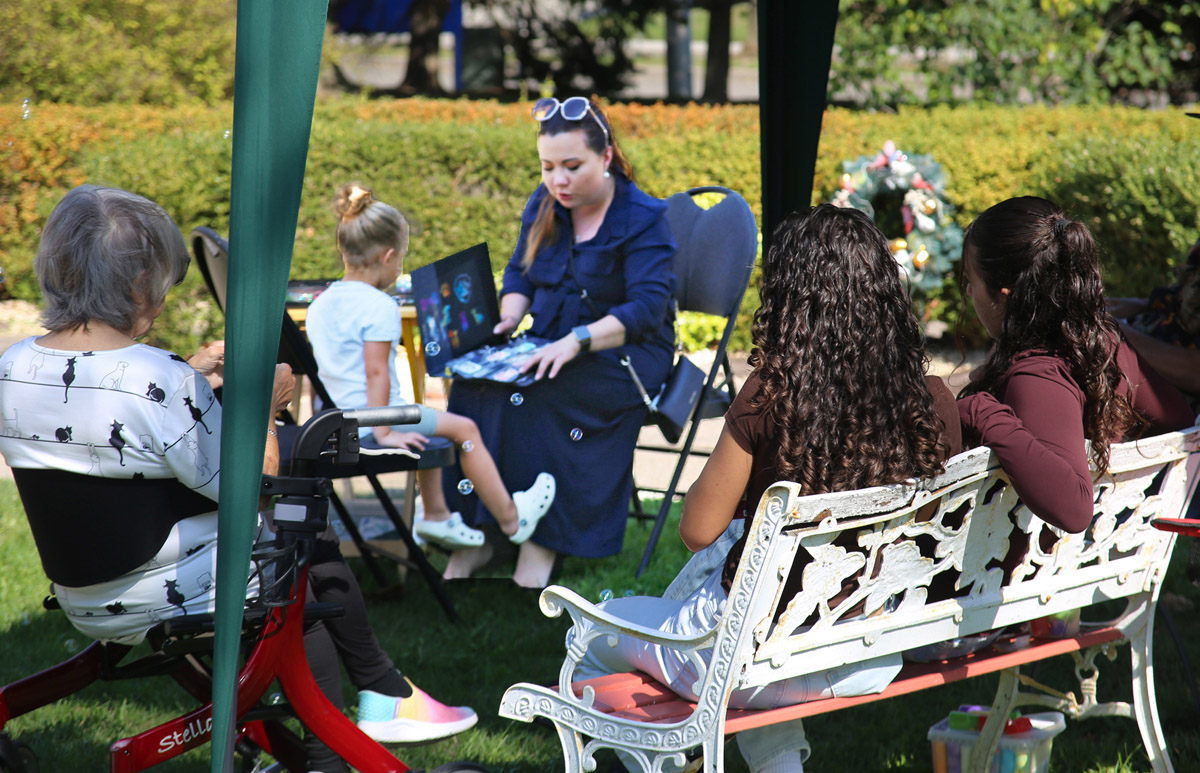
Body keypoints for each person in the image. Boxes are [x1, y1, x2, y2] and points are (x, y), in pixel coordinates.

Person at [0, 184, 476, 773]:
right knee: (297, 542)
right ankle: (340, 742)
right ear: (139, 282)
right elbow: (254, 485)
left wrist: (192, 376)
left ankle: (373, 699)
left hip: (84, 591)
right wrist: (266, 408)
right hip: (166, 593)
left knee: (294, 541)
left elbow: (100, 416)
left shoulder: (14, 364)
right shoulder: (158, 378)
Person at [573, 205, 962, 773]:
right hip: (866, 651)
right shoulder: (933, 401)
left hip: (749, 655)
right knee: (756, 640)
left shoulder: (771, 395)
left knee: (588, 632)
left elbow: (697, 530)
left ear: (789, 300)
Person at [442, 96, 677, 588]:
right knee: (472, 386)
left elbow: (647, 308)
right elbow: (520, 273)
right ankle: (484, 530)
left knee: (539, 393)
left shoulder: (644, 217)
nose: (558, 181)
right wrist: (509, 318)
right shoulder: (544, 202)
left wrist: (577, 341)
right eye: (548, 167)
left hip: (624, 355)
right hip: (549, 339)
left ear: (605, 157)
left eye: (572, 166)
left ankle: (542, 542)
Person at [305, 183, 556, 552]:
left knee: (425, 418)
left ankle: (436, 515)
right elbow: (376, 373)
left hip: (334, 421)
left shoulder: (320, 304)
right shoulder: (379, 306)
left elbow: (324, 373)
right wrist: (384, 431)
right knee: (464, 428)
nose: (400, 267)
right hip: (374, 421)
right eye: (402, 258)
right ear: (388, 256)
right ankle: (511, 519)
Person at [957, 196, 1194, 543]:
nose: (968, 291)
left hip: (1011, 566)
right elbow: (1180, 420)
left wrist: (979, 410)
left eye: (972, 281)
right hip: (1088, 555)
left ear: (1005, 296)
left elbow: (1073, 509)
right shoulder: (1102, 346)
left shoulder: (1034, 376)